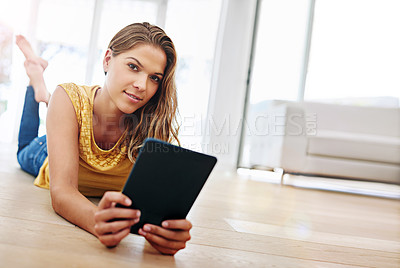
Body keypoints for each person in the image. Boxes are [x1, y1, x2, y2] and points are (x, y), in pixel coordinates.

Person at [15, 23, 192, 255]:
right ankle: (35, 79)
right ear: (107, 59)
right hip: (45, 153)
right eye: (133, 66)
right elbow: (62, 193)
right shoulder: (69, 97)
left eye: (155, 78)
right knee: (23, 150)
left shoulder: (154, 124)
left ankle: (40, 88)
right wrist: (96, 219)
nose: (142, 86)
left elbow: (153, 205)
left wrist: (165, 229)